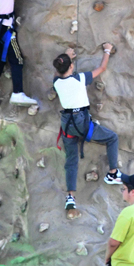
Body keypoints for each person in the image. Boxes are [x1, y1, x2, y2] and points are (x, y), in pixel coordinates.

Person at [53, 43, 122, 216]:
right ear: (71, 66)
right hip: (81, 122)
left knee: (71, 160)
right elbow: (102, 68)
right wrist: (107, 50)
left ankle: (70, 196)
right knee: (112, 138)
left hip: (67, 124)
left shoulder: (56, 82)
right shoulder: (79, 79)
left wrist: (66, 57)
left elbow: (58, 72)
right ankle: (113, 173)